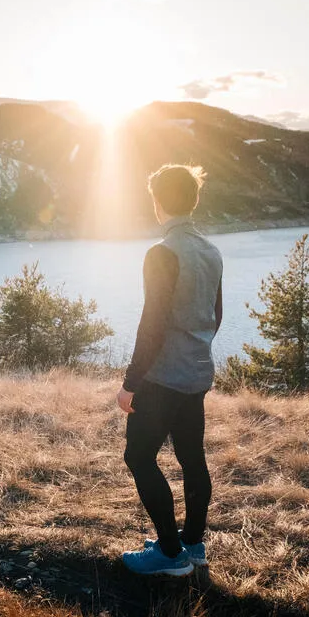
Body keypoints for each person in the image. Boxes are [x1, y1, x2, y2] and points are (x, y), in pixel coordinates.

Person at [116, 164, 223, 576]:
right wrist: (196, 346)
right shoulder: (211, 251)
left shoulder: (162, 252)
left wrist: (130, 383)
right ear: (193, 201)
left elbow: (153, 323)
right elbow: (215, 315)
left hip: (163, 379)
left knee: (139, 456)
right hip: (197, 373)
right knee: (192, 458)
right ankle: (193, 544)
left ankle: (169, 553)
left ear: (158, 202)